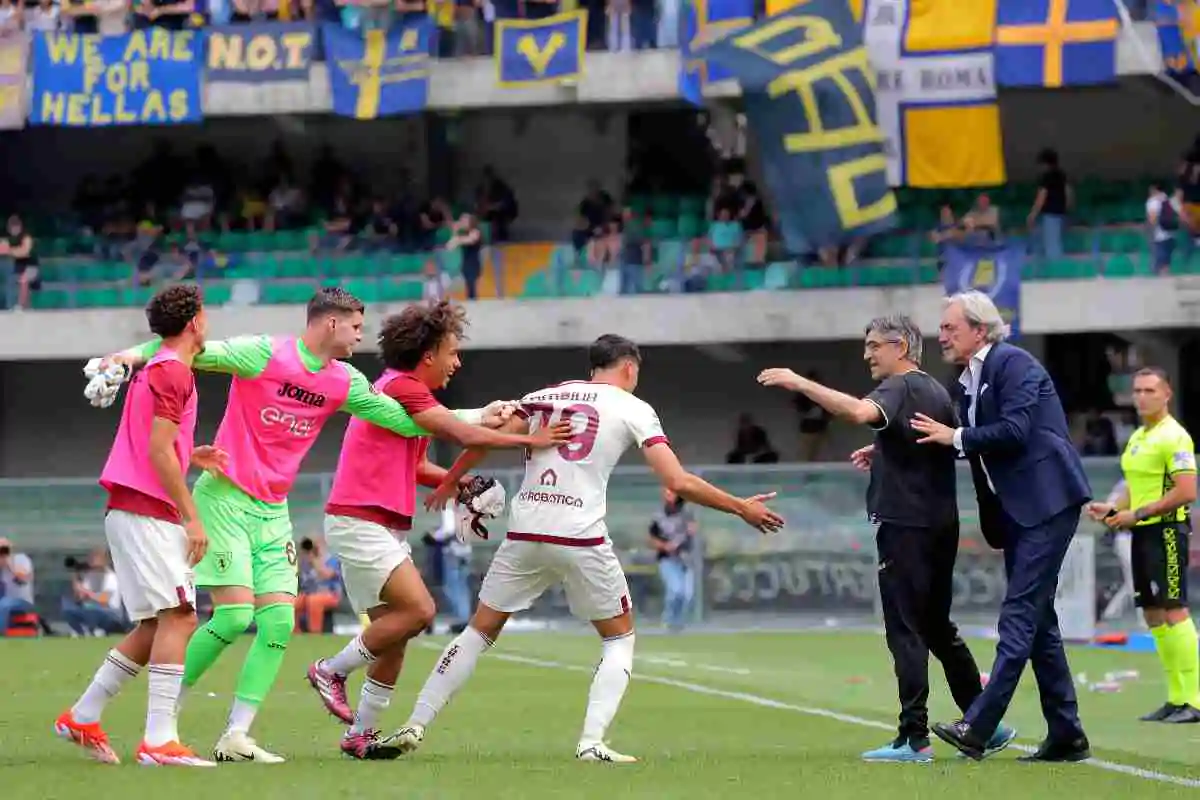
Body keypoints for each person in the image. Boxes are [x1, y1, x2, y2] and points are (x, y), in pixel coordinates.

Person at [95, 287, 519, 764]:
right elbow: (183, 348)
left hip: (274, 509)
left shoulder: (345, 381)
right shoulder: (263, 353)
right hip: (225, 498)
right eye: (356, 326)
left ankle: (236, 736)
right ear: (331, 323)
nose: (362, 335)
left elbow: (405, 422)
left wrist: (477, 415)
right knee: (234, 617)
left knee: (277, 621)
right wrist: (122, 358)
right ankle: (162, 723)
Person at [388, 334, 785, 764]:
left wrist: (450, 481)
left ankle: (416, 722)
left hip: (526, 532)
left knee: (478, 631)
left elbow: (484, 439)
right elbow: (678, 482)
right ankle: (591, 743)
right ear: (630, 369)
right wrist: (740, 507)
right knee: (619, 638)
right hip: (580, 536)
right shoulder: (634, 408)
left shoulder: (544, 396)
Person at [304, 300, 570, 759]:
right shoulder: (404, 388)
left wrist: (461, 482)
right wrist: (532, 440)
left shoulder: (402, 390)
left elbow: (418, 464)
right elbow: (465, 436)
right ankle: (330, 669)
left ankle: (359, 735)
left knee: (395, 630)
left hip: (373, 521)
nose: (457, 361)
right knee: (421, 612)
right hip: (360, 519)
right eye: (452, 351)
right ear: (428, 355)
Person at [757, 314, 1014, 763]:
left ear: (901, 347)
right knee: (937, 627)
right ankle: (983, 725)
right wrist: (882, 449)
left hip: (905, 524)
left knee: (906, 629)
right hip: (940, 523)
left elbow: (858, 411)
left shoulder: (898, 386)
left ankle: (913, 739)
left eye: (875, 345)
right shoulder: (935, 389)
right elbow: (934, 443)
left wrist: (800, 382)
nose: (867, 354)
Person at [911, 291, 1092, 763]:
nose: (942, 336)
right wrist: (893, 454)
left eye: (950, 327)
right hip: (1016, 511)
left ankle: (979, 724)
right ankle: (1067, 733)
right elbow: (960, 443)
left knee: (1019, 612)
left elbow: (1014, 431)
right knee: (1039, 623)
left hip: (1047, 502)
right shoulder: (968, 382)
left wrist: (956, 437)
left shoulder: (1015, 364)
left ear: (979, 329)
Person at [57, 284, 223, 767]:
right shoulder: (173, 371)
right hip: (148, 511)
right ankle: (158, 741)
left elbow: (153, 444)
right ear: (195, 321)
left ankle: (83, 716)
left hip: (131, 507)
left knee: (157, 624)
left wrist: (190, 455)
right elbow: (154, 451)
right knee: (181, 616)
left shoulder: (159, 369)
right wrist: (193, 518)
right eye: (205, 314)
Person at [1086, 368, 1199, 723]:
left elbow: (1186, 491)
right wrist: (1115, 508)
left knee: (1173, 608)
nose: (1142, 396)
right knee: (1152, 613)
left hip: (1166, 530)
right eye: (1137, 390)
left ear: (1166, 394)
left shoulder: (1175, 437)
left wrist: (1137, 514)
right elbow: (1136, 486)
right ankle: (1176, 696)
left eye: (1150, 390)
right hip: (1141, 532)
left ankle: (1195, 699)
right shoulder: (1138, 437)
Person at [648, 488, 697, 632]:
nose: (668, 495)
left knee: (687, 595)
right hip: (668, 559)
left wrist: (686, 535)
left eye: (671, 493)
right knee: (675, 591)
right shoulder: (659, 516)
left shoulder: (686, 514)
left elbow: (692, 531)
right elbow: (652, 538)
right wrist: (665, 546)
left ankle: (679, 624)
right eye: (666, 492)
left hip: (686, 559)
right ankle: (669, 621)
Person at [0, 537, 36, 636]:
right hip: (6, 601)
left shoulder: (21, 559)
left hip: (22, 601)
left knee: (3, 604)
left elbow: (22, 579)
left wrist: (9, 562)